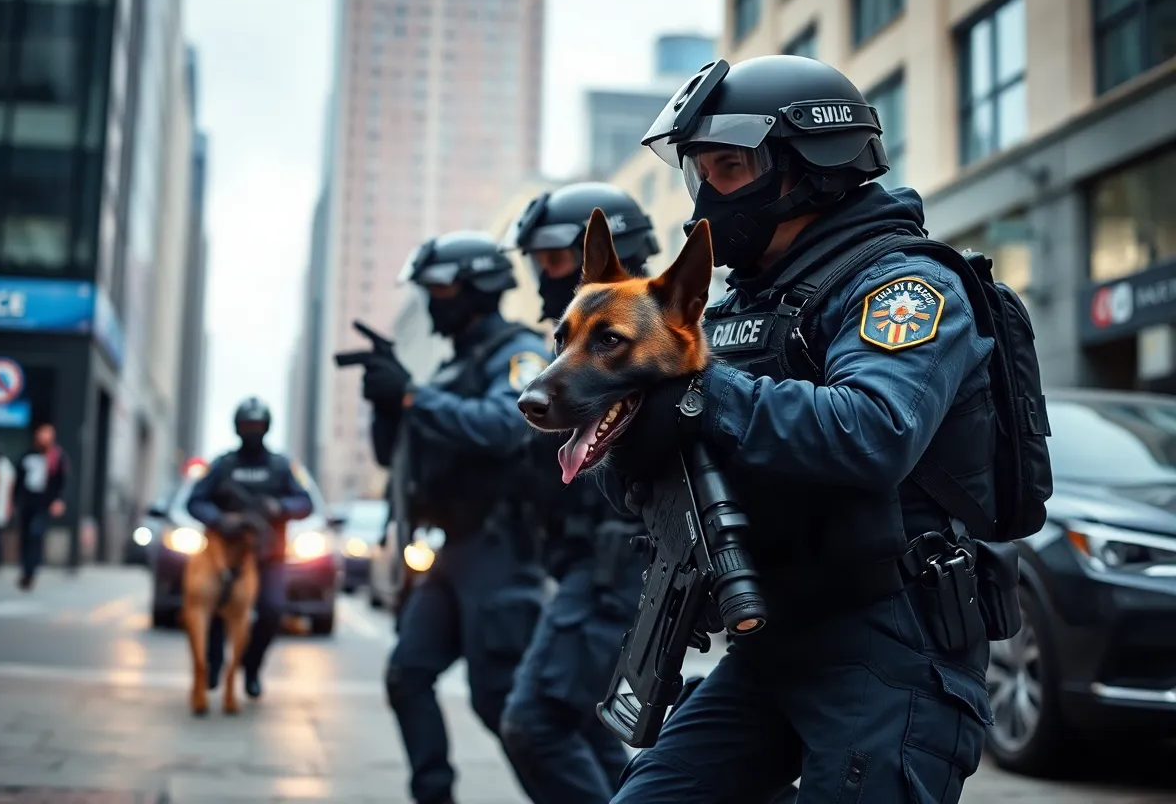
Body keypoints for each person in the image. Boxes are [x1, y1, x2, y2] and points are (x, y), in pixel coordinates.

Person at [598, 55, 1000, 802]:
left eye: (727, 167)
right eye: (699, 171)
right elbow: (659, 474)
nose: (705, 197)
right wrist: (626, 445)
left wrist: (695, 393)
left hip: (890, 649)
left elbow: (873, 429)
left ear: (807, 167)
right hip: (773, 640)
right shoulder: (740, 306)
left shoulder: (904, 285)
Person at [360, 231, 550, 804]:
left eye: (440, 288)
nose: (432, 301)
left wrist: (413, 397)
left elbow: (510, 423)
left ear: (477, 288)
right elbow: (394, 458)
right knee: (408, 674)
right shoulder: (452, 368)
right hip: (452, 551)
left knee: (506, 704)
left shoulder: (519, 354)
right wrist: (387, 401)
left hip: (501, 550)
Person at [497, 182, 660, 803]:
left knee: (535, 723)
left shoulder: (648, 340)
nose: (544, 276)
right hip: (581, 564)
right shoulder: (574, 343)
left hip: (613, 565)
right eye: (538, 263)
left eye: (557, 259)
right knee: (574, 726)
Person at [186, 398, 313, 699]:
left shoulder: (281, 467)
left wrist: (278, 506)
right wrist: (220, 520)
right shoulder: (223, 466)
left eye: (257, 426)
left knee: (271, 610)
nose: (252, 431)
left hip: (268, 556)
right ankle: (214, 667)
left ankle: (251, 666)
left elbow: (305, 502)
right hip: (224, 556)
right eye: (247, 426)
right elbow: (195, 501)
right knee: (213, 608)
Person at [13, 423, 70, 591]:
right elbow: (18, 479)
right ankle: (25, 569)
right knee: (25, 536)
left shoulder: (57, 457)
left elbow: (63, 481)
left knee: (35, 533)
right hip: (27, 502)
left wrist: (59, 500)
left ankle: (31, 569)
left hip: (44, 504)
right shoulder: (28, 456)